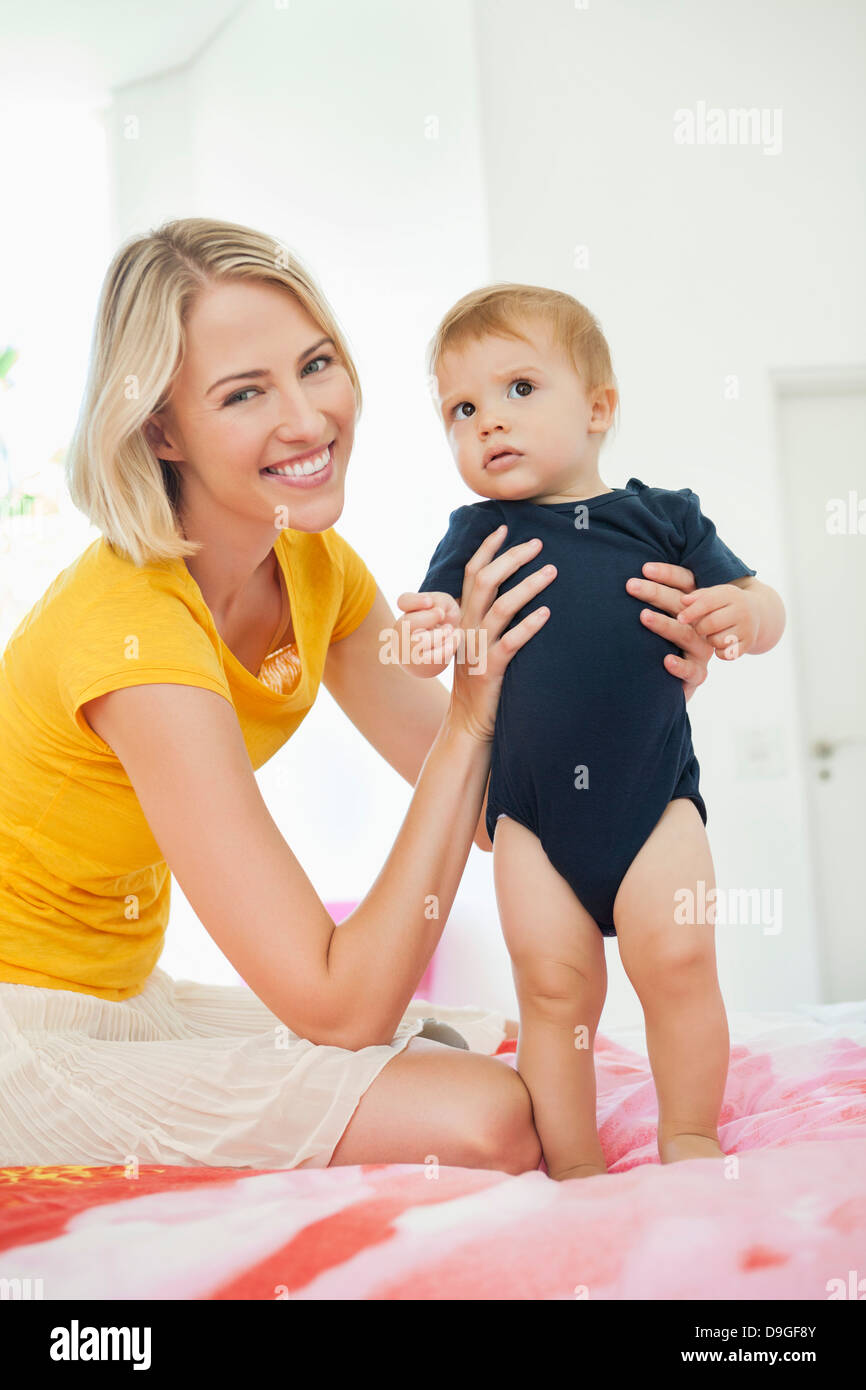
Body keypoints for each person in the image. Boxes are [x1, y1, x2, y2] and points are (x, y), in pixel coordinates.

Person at [0, 222, 716, 1174]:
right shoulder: (133, 638)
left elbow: (505, 804)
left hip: (128, 999)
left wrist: (632, 681)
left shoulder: (310, 563)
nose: (308, 420)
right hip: (25, 1028)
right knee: (491, 1119)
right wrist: (470, 717)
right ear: (160, 428)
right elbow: (342, 1007)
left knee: (484, 1039)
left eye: (317, 364)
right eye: (246, 393)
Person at [396, 283, 786, 1179]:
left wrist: (744, 613)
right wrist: (424, 632)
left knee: (681, 961)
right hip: (532, 821)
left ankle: (689, 1134)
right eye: (462, 408)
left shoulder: (665, 517)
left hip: (655, 806)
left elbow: (763, 604)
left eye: (519, 390)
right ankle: (572, 1166)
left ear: (599, 408)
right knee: (552, 990)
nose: (489, 422)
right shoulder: (475, 535)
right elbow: (439, 631)